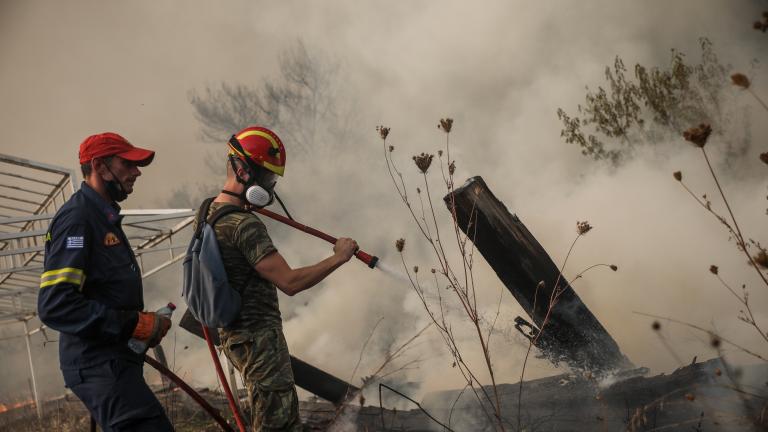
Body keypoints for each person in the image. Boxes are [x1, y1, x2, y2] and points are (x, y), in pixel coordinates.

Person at [201, 126, 357, 431]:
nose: (270, 188)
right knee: (277, 424)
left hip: (236, 338)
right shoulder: (243, 225)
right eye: (267, 178)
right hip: (259, 342)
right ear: (242, 170)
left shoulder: (209, 211)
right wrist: (339, 257)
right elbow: (290, 282)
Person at [38, 132, 174, 431]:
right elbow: (56, 305)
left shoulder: (101, 216)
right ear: (99, 167)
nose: (137, 172)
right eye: (127, 164)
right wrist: (132, 324)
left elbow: (105, 294)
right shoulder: (78, 220)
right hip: (98, 366)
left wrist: (142, 326)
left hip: (112, 362)